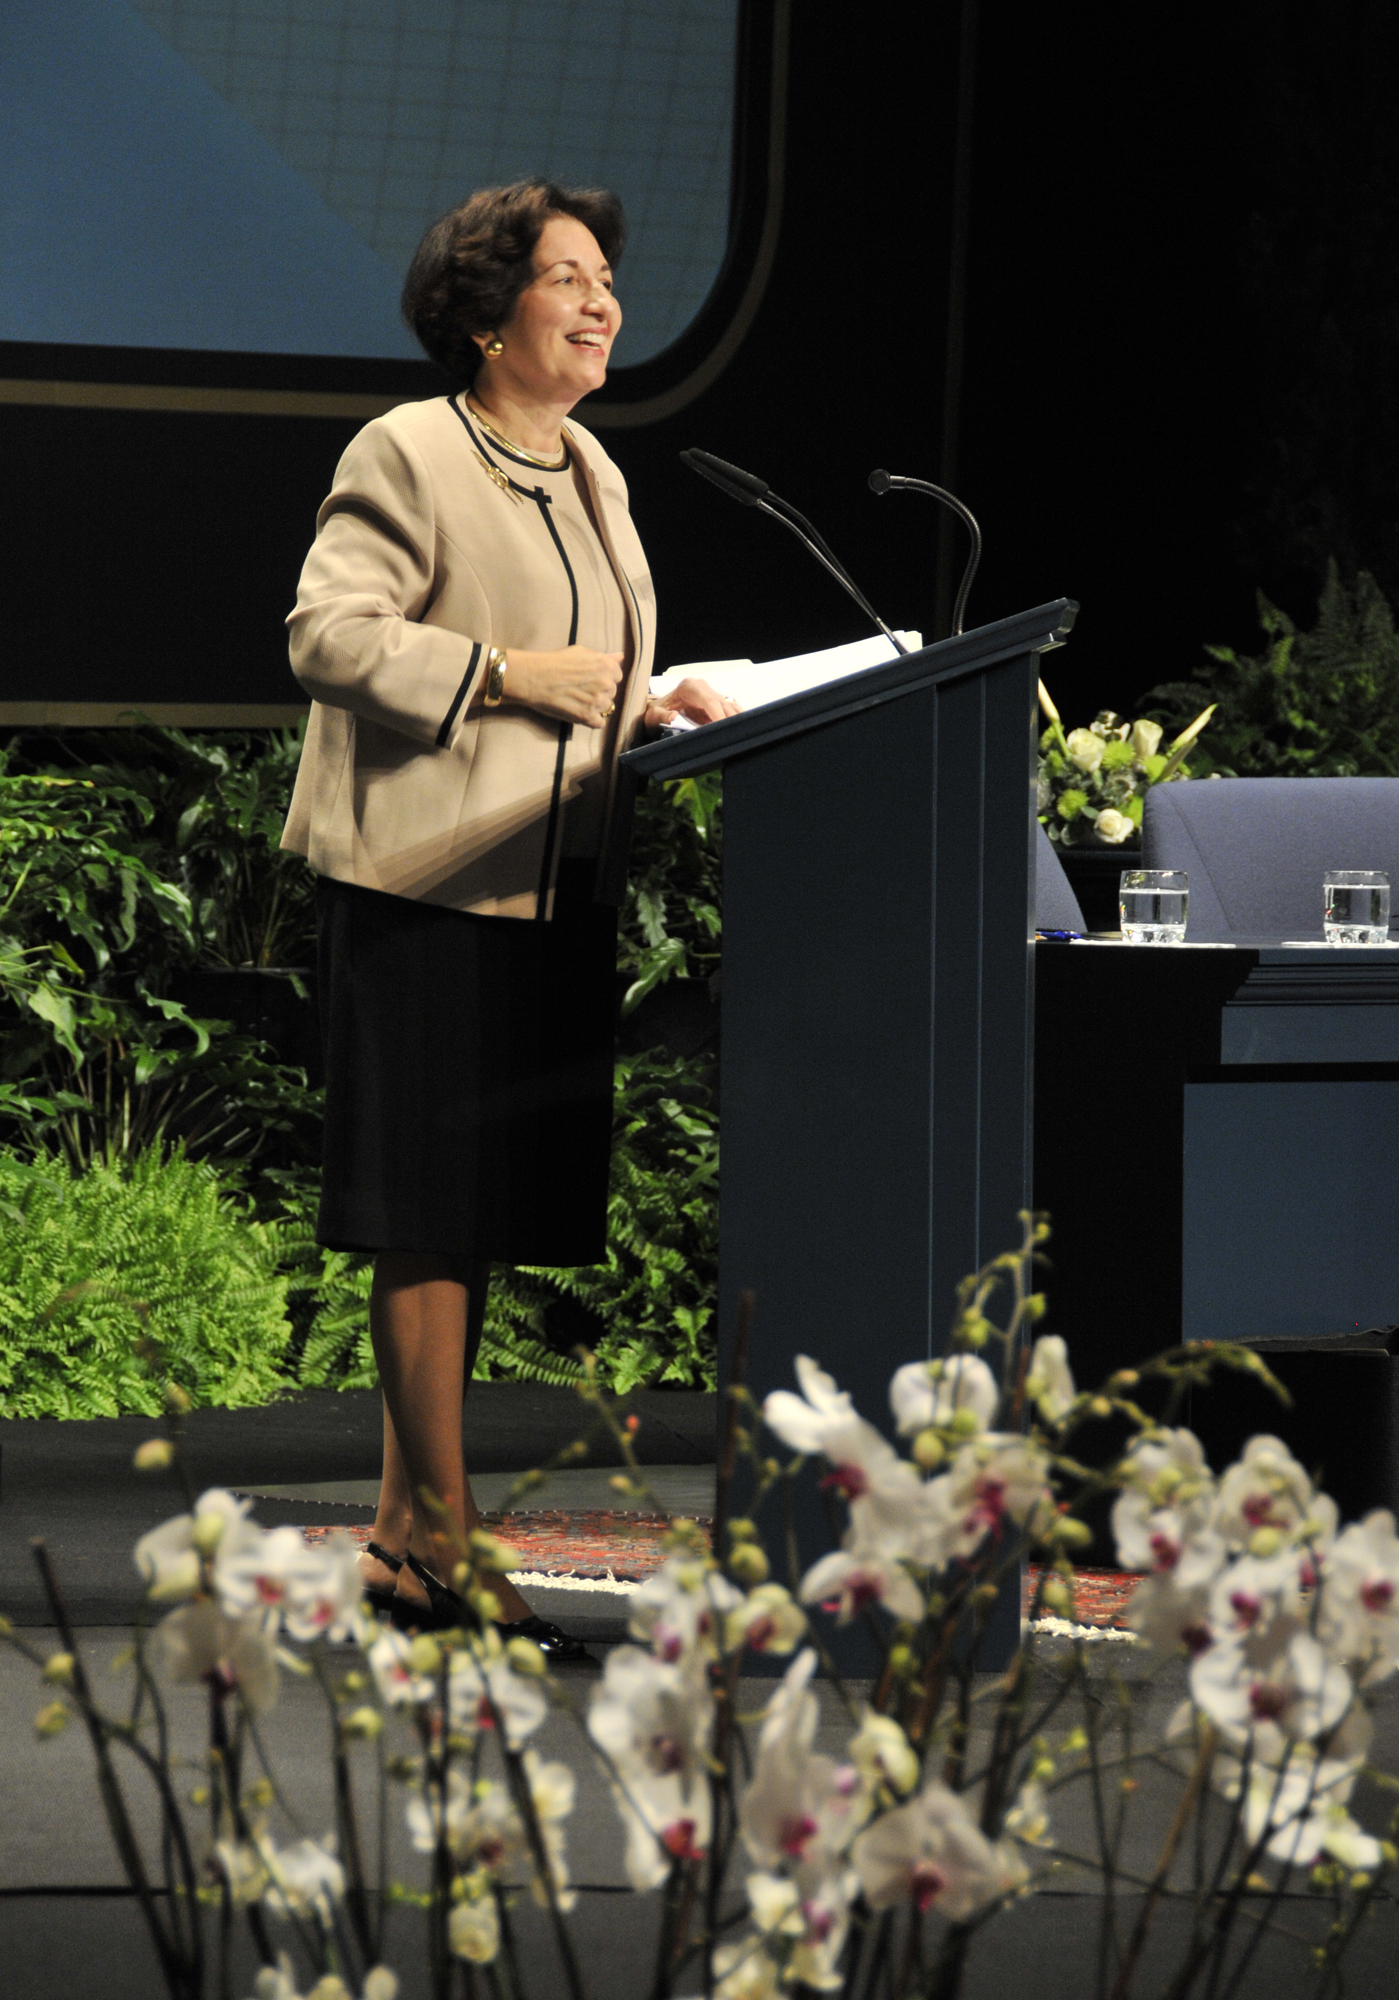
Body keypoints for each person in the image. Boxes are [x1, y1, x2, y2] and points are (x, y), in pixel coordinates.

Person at [281, 180, 736, 1651]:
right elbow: (327, 631)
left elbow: (597, 667)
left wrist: (656, 703)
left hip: (553, 884)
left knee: (466, 1222)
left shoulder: (594, 471)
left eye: (608, 276)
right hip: (427, 885)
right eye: (568, 279)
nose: (603, 302)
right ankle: (449, 1545)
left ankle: (409, 1541)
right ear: (486, 315)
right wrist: (498, 673)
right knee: (422, 1217)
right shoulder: (409, 449)